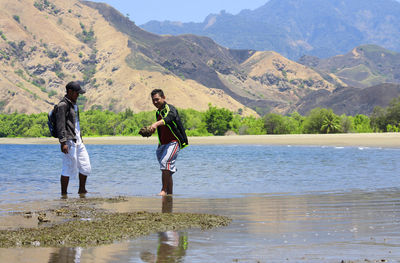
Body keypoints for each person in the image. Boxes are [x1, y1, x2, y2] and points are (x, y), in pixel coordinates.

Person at [149, 89, 188, 196]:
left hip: (174, 142)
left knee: (165, 163)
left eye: (157, 99)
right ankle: (170, 196)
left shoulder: (170, 109)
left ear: (163, 98)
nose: (155, 102)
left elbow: (169, 118)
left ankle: (163, 190)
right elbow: (163, 129)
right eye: (153, 100)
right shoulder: (158, 112)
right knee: (167, 170)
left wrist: (156, 124)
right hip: (163, 144)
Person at [56, 81, 91, 195]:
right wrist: (63, 142)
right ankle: (64, 194)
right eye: (77, 93)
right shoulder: (63, 105)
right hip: (69, 141)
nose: (78, 95)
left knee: (86, 166)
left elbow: (76, 124)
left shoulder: (74, 104)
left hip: (78, 141)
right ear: (70, 92)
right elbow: (60, 125)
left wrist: (80, 138)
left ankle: (82, 190)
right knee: (67, 167)